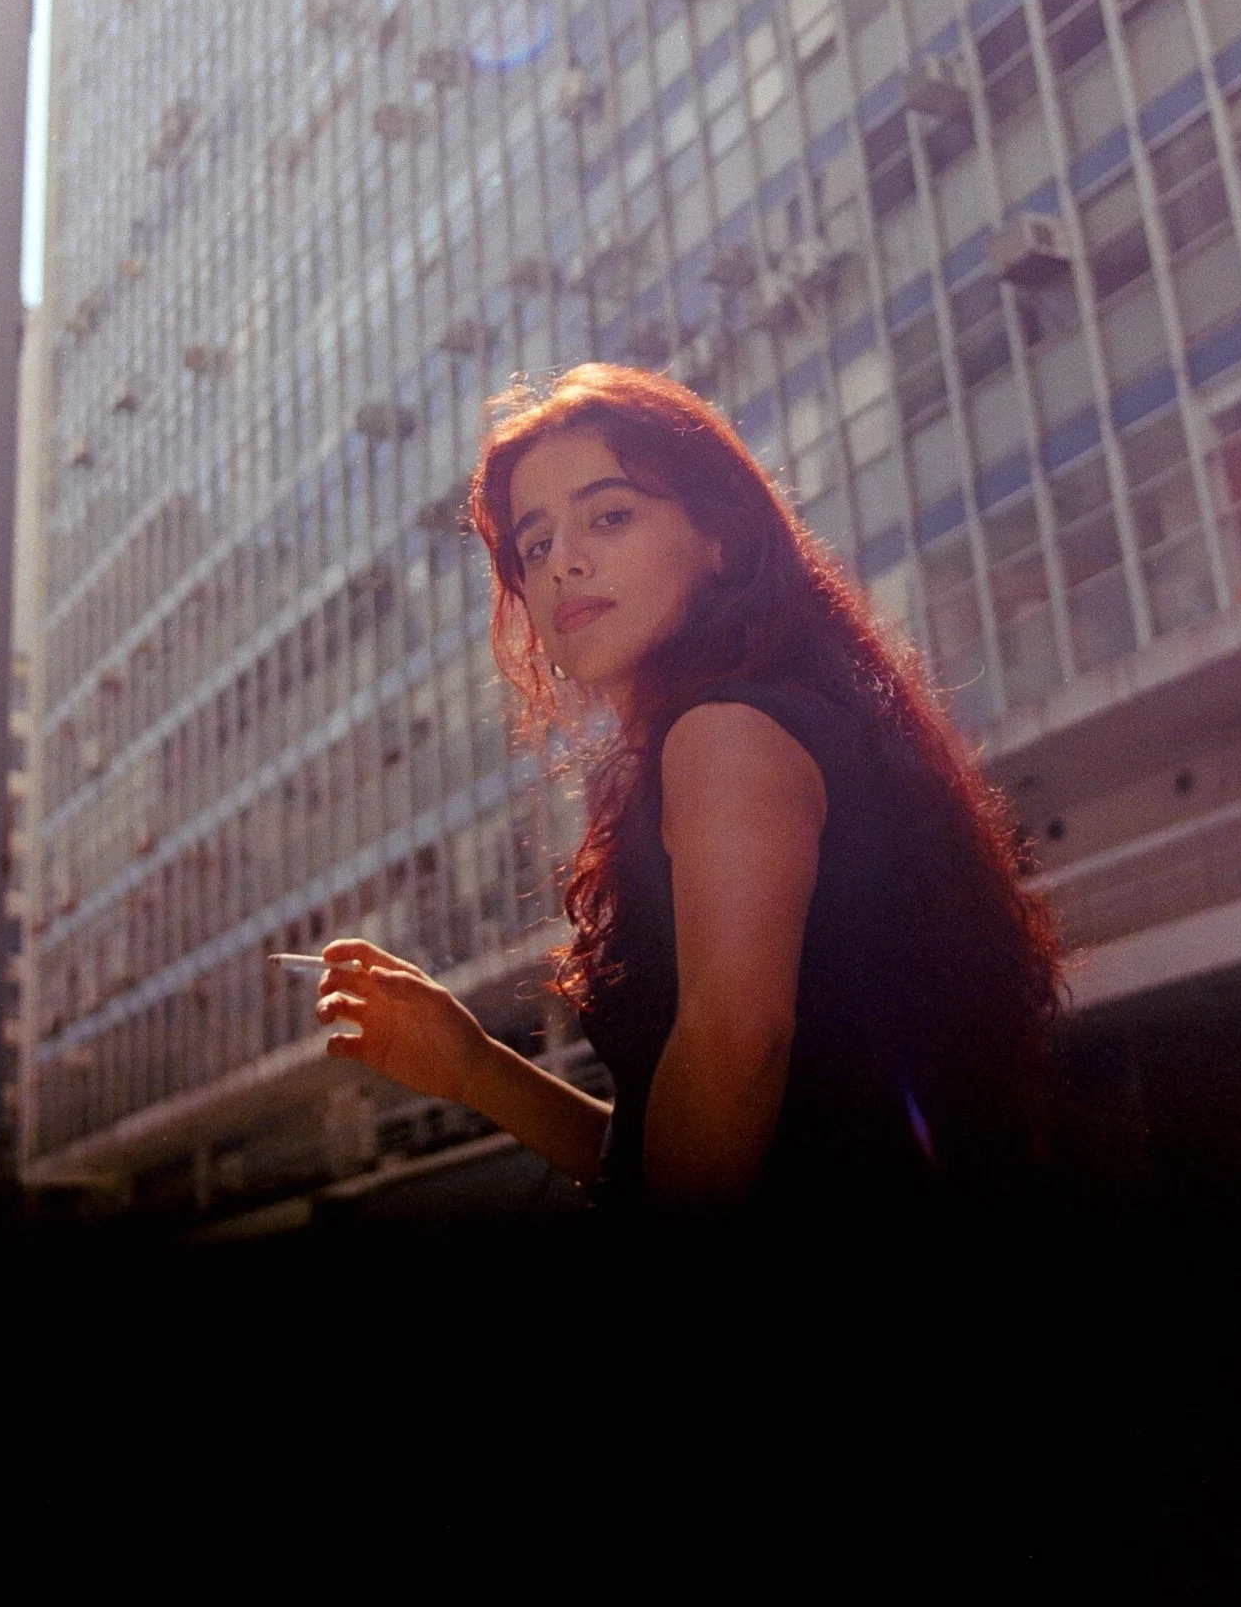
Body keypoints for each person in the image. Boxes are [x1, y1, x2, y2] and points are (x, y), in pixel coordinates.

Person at [314, 361, 1064, 1216]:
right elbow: (663, 1153)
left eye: (610, 515)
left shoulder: (725, 735)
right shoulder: (758, 730)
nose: (565, 563)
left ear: (721, 540)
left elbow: (735, 1054)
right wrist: (476, 1068)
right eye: (536, 544)